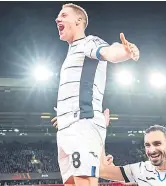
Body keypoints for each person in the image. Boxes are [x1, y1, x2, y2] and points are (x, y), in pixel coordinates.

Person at [54, 3, 140, 186]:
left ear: (79, 21)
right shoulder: (71, 53)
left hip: (82, 124)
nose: (57, 19)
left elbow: (109, 51)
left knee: (84, 182)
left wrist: (125, 51)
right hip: (67, 127)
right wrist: (63, 114)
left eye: (63, 15)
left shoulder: (88, 42)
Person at [99, 125, 166, 186]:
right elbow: (102, 171)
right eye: (147, 145)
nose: (151, 150)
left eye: (157, 144)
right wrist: (100, 129)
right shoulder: (139, 169)